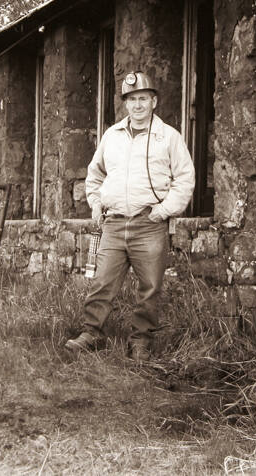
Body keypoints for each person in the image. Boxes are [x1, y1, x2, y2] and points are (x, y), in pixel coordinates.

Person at [65, 71, 195, 361]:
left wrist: (163, 210)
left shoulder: (168, 137)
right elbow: (94, 174)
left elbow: (185, 179)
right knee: (102, 282)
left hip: (148, 224)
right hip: (113, 223)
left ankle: (141, 341)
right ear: (126, 104)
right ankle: (92, 333)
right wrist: (96, 204)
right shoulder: (112, 136)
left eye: (143, 99)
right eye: (132, 99)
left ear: (154, 102)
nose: (137, 105)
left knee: (150, 287)